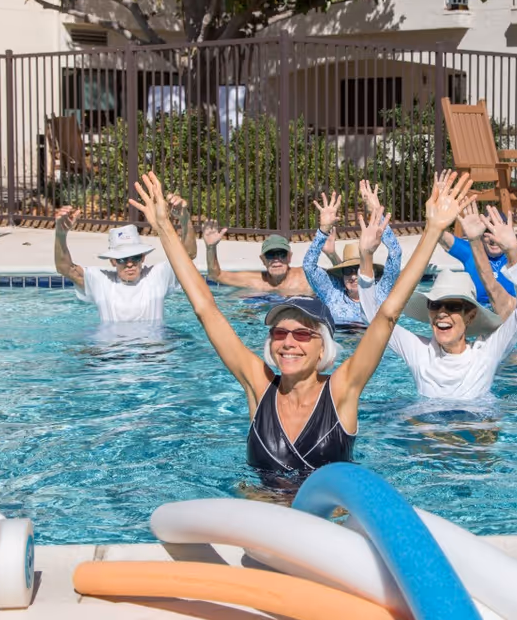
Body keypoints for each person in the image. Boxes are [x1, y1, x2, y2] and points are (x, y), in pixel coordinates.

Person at [129, 169, 475, 482]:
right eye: (280, 332)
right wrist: (163, 229)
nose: (289, 342)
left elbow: (386, 315)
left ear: (322, 346)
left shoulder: (341, 391)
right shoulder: (258, 386)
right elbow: (206, 309)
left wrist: (432, 231)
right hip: (265, 522)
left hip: (328, 528)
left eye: (302, 333)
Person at [358, 191, 517, 402]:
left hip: (474, 430)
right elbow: (373, 317)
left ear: (470, 316)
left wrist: (513, 252)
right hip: (428, 431)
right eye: (435, 305)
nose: (442, 313)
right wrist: (366, 256)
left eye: (451, 306)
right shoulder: (419, 351)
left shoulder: (486, 353)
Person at [54, 196, 196, 324]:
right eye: (122, 259)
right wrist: (60, 235)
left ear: (143, 257)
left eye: (135, 257)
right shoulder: (101, 281)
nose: (129, 264)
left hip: (151, 350)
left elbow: (188, 255)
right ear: (113, 261)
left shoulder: (157, 276)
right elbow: (65, 269)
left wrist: (185, 220)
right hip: (112, 350)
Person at [438, 168, 517, 307]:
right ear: (480, 234)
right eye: (487, 231)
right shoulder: (471, 252)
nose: (493, 238)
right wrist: (439, 207)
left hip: (509, 313)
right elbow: (438, 235)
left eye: (498, 231)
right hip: (479, 313)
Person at [304, 181, 404, 329]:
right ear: (342, 276)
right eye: (347, 271)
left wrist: (377, 212)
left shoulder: (381, 292)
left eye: (357, 269)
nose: (353, 276)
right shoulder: (333, 295)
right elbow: (308, 266)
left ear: (372, 272)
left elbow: (395, 254)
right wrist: (323, 231)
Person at [203, 224, 311, 295]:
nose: (276, 259)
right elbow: (216, 275)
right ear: (263, 259)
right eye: (270, 254)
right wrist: (210, 248)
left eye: (281, 254)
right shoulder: (254, 280)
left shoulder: (306, 277)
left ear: (289, 257)